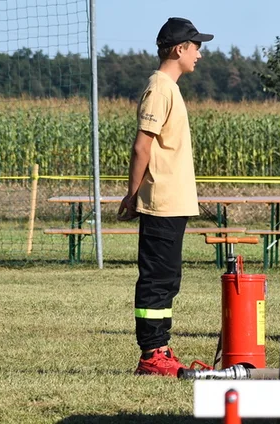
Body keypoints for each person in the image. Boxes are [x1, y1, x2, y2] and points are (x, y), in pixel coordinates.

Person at [117, 17, 212, 376]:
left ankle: (160, 348)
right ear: (179, 49)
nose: (199, 54)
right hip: (161, 201)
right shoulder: (159, 87)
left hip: (173, 203)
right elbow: (142, 146)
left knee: (167, 278)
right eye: (196, 46)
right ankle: (151, 355)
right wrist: (132, 194)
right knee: (157, 279)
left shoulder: (170, 88)